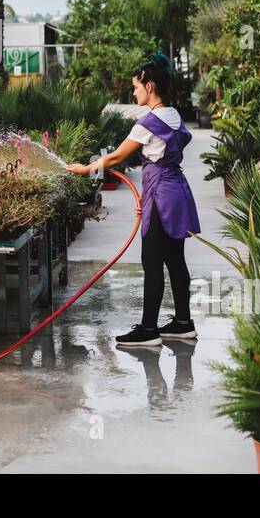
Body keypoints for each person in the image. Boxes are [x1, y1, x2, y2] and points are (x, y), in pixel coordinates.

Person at [65, 54, 201, 346]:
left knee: (152, 260)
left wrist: (84, 168)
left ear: (149, 86)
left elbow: (115, 157)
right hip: (175, 190)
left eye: (136, 86)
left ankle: (149, 330)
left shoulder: (149, 122)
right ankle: (182, 322)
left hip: (162, 195)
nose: (134, 92)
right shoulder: (174, 115)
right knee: (176, 259)